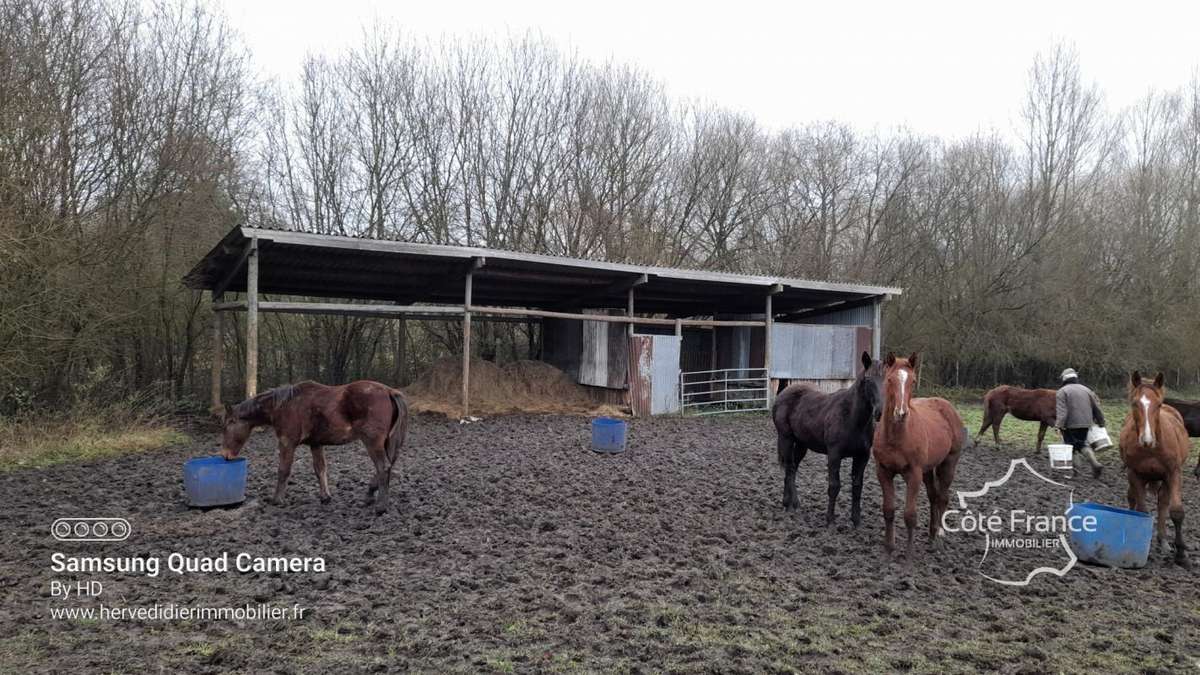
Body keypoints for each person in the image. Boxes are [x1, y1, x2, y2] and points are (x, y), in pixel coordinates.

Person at [1055, 368, 1105, 477]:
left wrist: (1058, 425)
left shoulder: (1062, 392)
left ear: (1064, 379)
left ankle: (1075, 473)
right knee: (1082, 444)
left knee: (1071, 447)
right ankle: (1095, 463)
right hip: (1086, 423)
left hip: (1070, 424)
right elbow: (1096, 407)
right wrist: (1101, 421)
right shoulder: (1086, 390)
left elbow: (1062, 412)